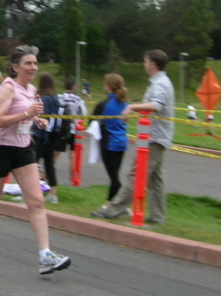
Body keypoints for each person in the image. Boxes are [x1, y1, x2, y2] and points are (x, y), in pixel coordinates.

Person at [0, 45, 71, 275]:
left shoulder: (30, 89)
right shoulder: (7, 88)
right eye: (28, 63)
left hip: (23, 149)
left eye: (35, 63)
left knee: (36, 201)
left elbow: (27, 113)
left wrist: (35, 120)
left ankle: (45, 256)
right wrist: (27, 114)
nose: (33, 67)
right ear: (15, 67)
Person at [92, 50, 175, 225]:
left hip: (154, 138)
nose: (144, 65)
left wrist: (132, 108)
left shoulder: (160, 84)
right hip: (158, 137)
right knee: (156, 179)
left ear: (153, 64)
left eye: (145, 62)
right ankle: (157, 216)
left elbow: (157, 105)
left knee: (136, 174)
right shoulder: (161, 82)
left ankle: (113, 210)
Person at [91, 74, 129, 210]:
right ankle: (115, 204)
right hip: (122, 143)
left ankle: (108, 205)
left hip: (109, 144)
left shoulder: (103, 105)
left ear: (108, 87)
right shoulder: (125, 103)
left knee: (115, 179)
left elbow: (91, 121)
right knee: (115, 175)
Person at [33, 72, 61, 203]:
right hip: (53, 136)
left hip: (42, 135)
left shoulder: (45, 99)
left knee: (31, 164)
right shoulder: (55, 98)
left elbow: (43, 116)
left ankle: (30, 192)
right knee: (49, 166)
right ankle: (53, 194)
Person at [55, 78, 88, 183]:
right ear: (73, 87)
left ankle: (46, 175)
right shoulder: (78, 99)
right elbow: (83, 113)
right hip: (74, 129)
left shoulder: (59, 97)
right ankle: (73, 178)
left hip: (62, 129)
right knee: (73, 155)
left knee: (55, 152)